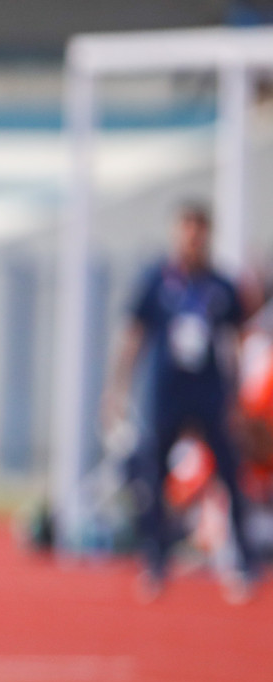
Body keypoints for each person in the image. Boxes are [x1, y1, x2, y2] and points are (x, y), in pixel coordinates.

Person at [103, 202, 257, 603]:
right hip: (166, 394)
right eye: (187, 229)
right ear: (177, 233)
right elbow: (134, 337)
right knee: (153, 478)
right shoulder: (157, 281)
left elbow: (237, 342)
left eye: (200, 230)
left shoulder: (221, 286)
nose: (193, 238)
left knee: (229, 475)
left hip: (210, 394)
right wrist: (116, 389)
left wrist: (239, 397)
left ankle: (241, 563)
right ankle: (155, 562)